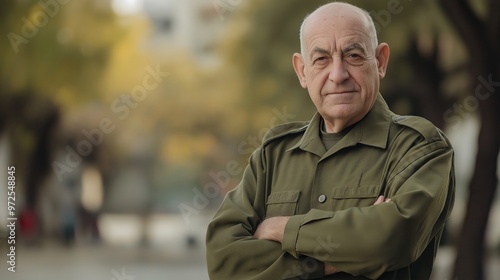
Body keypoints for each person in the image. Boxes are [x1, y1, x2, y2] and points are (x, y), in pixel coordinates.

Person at [206, 2, 455, 279]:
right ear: (302, 71)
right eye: (322, 59)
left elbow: (392, 239)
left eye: (354, 55)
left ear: (381, 61)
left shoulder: (419, 147)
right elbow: (223, 259)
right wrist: (326, 262)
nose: (338, 75)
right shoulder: (272, 156)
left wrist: (280, 229)